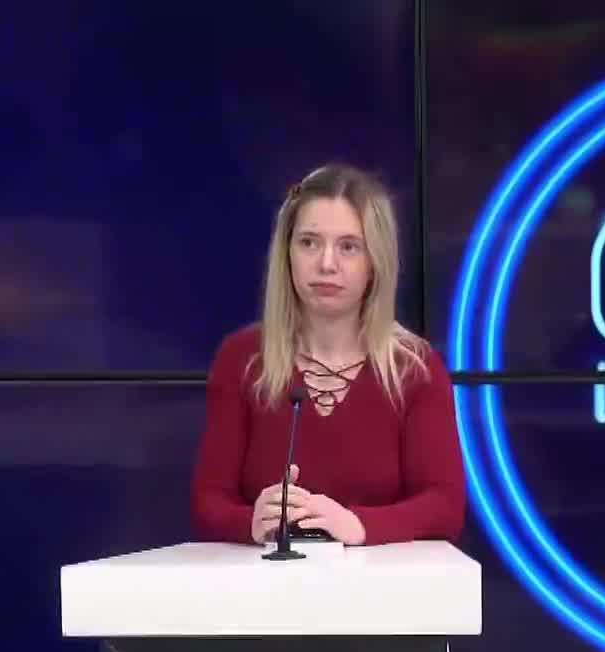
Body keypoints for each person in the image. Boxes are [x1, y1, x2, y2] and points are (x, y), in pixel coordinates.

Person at [192, 163, 465, 546]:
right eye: (309, 242)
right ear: (287, 254)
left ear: (375, 263)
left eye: (348, 247)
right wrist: (249, 522)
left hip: (383, 595)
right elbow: (209, 502)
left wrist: (358, 525)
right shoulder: (242, 359)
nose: (326, 264)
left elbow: (444, 506)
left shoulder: (415, 369)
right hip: (264, 592)